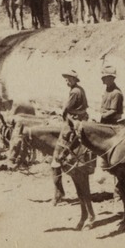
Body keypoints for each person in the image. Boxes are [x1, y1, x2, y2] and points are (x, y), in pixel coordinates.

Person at [56, 70, 93, 224]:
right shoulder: (78, 89)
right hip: (78, 117)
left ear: (73, 79)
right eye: (65, 79)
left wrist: (62, 114)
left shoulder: (75, 91)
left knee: (67, 139)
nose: (66, 81)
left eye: (68, 79)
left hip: (76, 120)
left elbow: (67, 109)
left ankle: (80, 161)